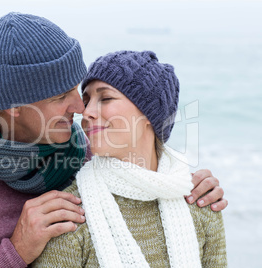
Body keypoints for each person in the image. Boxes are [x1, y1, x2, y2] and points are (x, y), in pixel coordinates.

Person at [0, 13, 227, 268]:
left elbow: (144, 176)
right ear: (13, 107)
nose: (80, 107)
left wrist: (190, 185)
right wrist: (15, 251)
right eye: (61, 96)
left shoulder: (85, 149)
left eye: (79, 89)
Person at [32, 51, 227, 267]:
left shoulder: (200, 202)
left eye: (105, 98)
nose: (86, 113)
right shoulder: (70, 217)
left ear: (149, 114)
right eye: (86, 101)